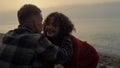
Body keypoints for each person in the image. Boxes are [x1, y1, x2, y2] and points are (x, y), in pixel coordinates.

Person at [0, 4, 72, 68]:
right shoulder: (37, 40)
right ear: (34, 22)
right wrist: (66, 37)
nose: (42, 25)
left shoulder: (8, 35)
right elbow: (63, 56)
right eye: (41, 21)